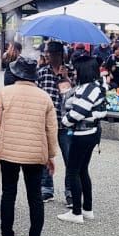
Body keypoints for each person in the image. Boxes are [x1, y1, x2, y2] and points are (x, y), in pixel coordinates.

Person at [0, 57, 57, 236]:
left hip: (8, 151)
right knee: (35, 196)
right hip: (35, 153)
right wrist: (51, 155)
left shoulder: (5, 94)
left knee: (9, 194)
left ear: (15, 73)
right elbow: (51, 129)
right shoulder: (45, 97)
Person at [57, 54, 107, 223]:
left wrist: (65, 121)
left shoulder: (88, 89)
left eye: (77, 71)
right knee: (83, 170)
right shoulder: (94, 86)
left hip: (82, 134)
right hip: (91, 133)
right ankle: (87, 209)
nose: (75, 74)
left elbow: (77, 112)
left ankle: (76, 212)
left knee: (72, 172)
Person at [36, 41, 73, 204]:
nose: (47, 55)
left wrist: (65, 78)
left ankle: (71, 190)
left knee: (70, 157)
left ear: (60, 54)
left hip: (66, 121)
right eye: (46, 53)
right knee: (45, 156)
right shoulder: (42, 72)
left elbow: (73, 96)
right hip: (47, 121)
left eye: (50, 53)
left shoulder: (71, 71)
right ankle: (46, 188)